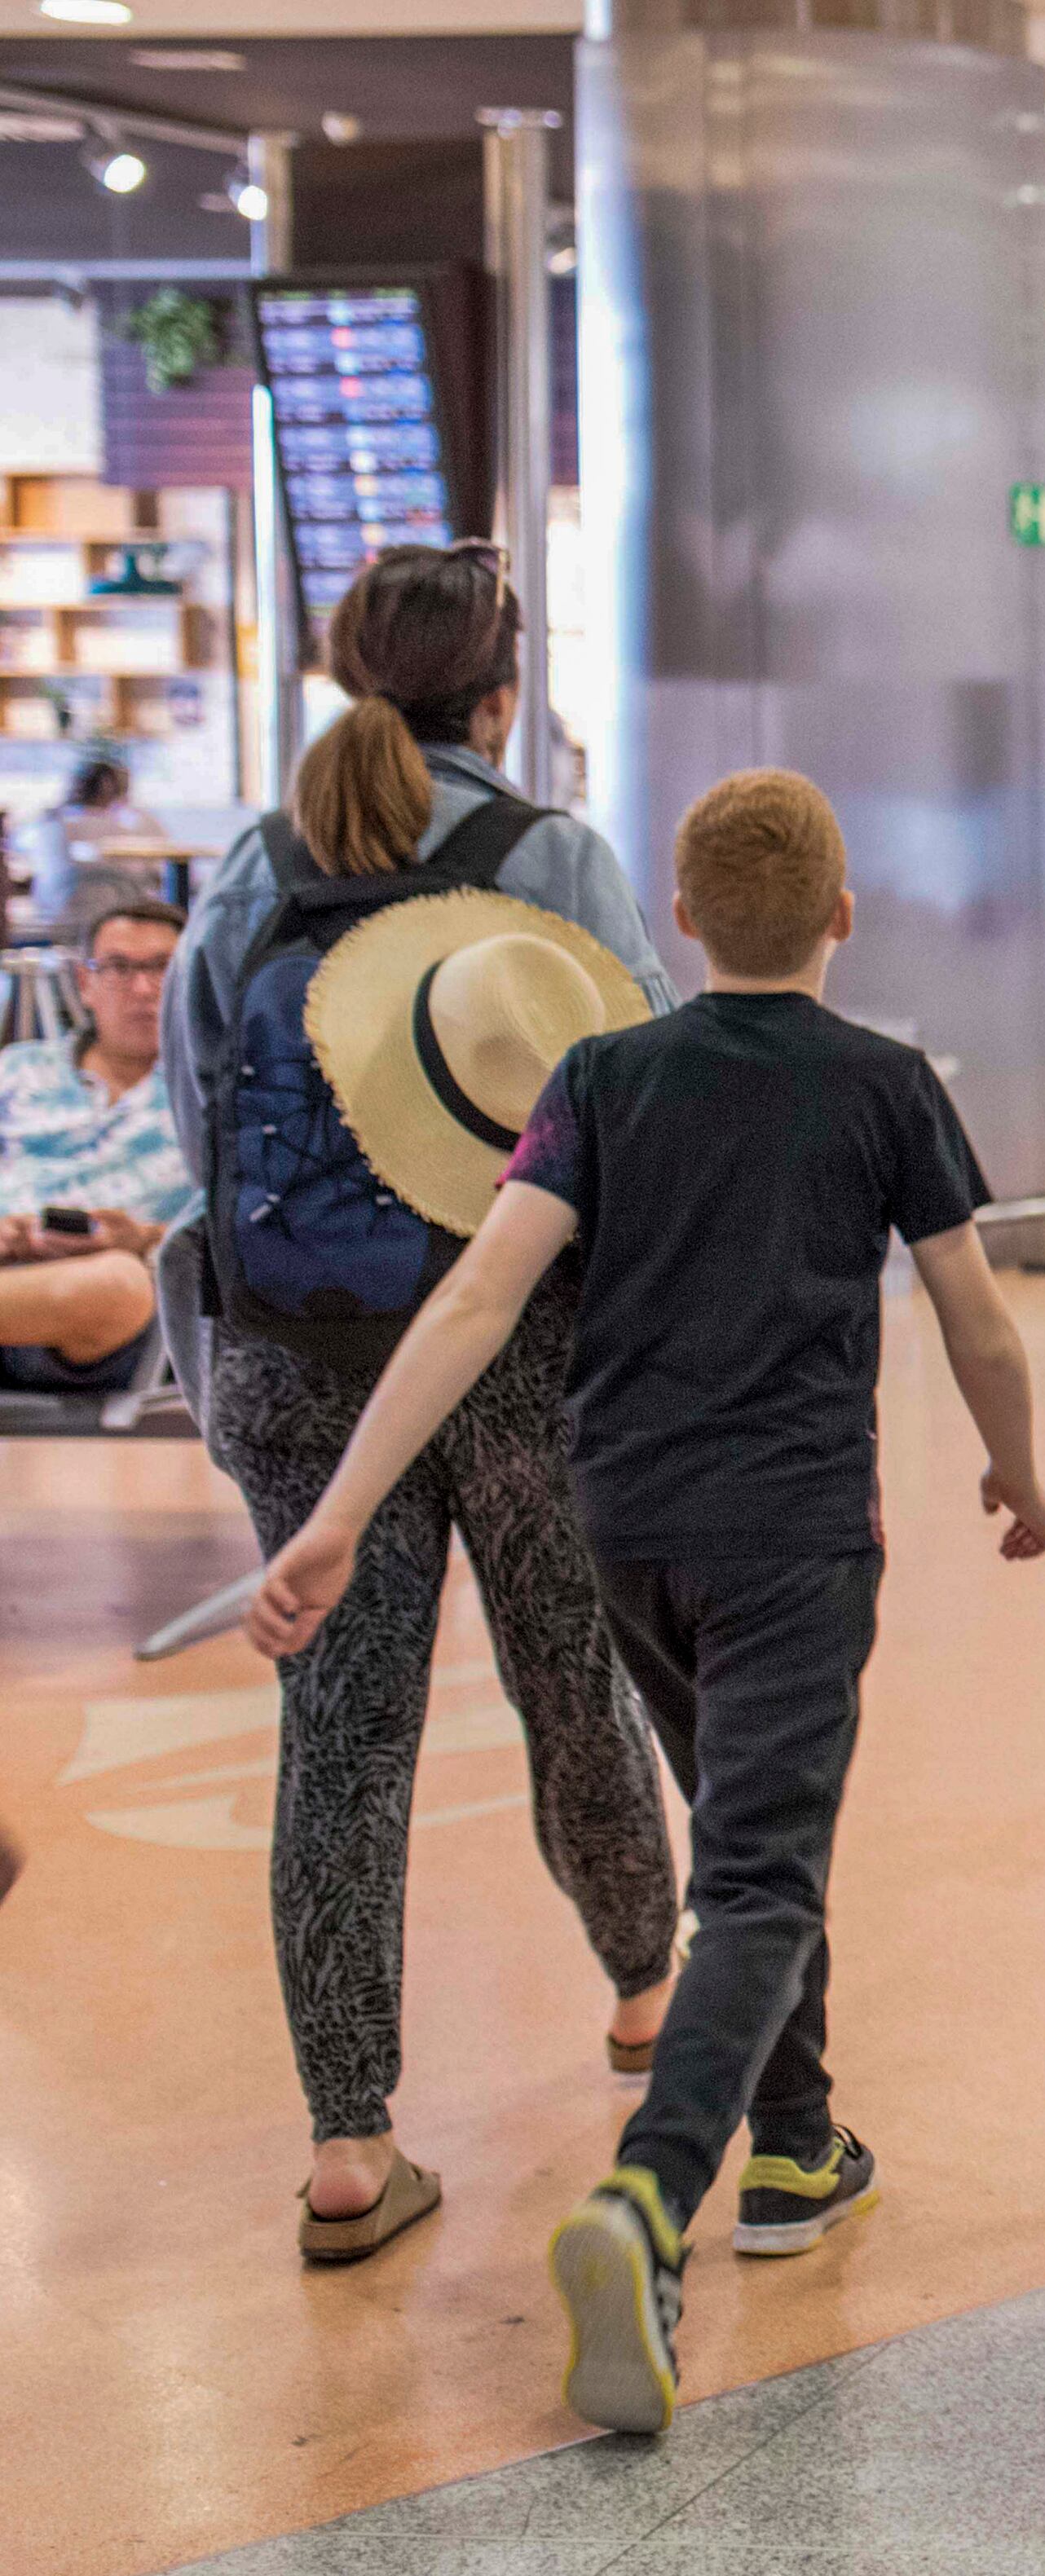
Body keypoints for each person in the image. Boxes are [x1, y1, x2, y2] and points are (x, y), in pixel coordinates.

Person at [245, 768, 1045, 2435]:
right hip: (798, 1532)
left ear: (678, 919)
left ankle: (802, 2137)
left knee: (739, 1819)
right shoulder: (888, 1083)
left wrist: (335, 1516)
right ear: (840, 915)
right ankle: (650, 2191)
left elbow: (480, 1292)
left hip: (631, 1532)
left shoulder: (601, 1076)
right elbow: (975, 1309)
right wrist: (1017, 1470)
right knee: (759, 1871)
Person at [161, 543, 682, 2261]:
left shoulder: (251, 869)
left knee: (343, 1733)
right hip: (524, 1342)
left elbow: (194, 1121)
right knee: (569, 1678)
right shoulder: (551, 859)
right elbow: (638, 1095)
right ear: (501, 688)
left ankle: (345, 2139)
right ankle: (639, 1986)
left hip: (297, 1361)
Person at [0, 890, 192, 1390]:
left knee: (117, 1284)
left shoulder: (212, 1092)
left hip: (97, 1310)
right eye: (119, 968)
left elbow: (235, 1235)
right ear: (85, 982)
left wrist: (141, 1238)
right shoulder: (17, 1070)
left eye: (162, 967)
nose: (144, 989)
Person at [19, 752, 165, 907]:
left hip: (55, 915)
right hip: (121, 916)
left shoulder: (48, 824)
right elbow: (157, 876)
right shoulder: (133, 824)